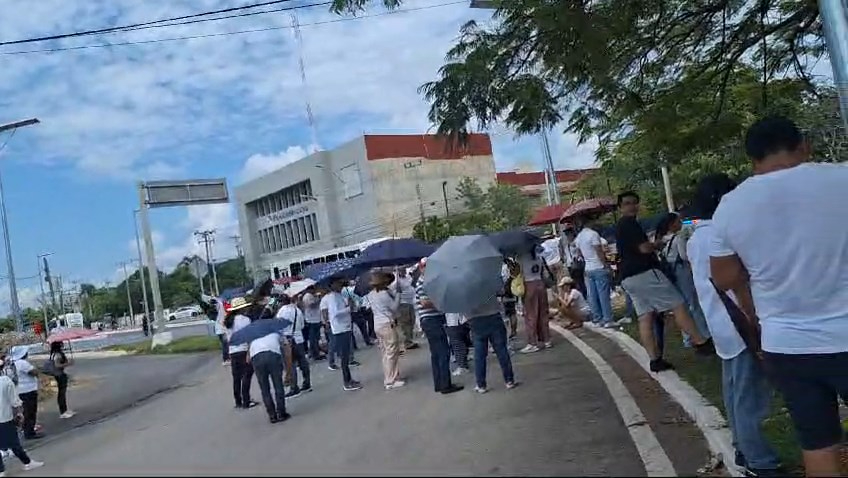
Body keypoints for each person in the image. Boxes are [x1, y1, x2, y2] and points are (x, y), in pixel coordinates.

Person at [710, 116, 848, 477]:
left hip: (787, 345)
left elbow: (722, 277)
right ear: (803, 145)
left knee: (817, 443)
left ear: (752, 159)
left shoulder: (731, 205)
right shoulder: (841, 177)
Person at [687, 173, 782, 477]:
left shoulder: (696, 237)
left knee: (734, 391)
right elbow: (738, 280)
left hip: (723, 324)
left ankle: (743, 448)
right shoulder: (719, 233)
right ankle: (760, 461)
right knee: (749, 396)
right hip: (740, 322)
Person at [615, 191, 715, 372]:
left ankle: (655, 359)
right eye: (628, 203)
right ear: (620, 207)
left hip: (628, 277)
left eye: (634, 203)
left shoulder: (620, 227)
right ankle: (701, 342)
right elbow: (644, 248)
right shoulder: (630, 224)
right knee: (678, 304)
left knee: (645, 317)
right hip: (644, 272)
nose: (632, 206)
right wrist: (657, 244)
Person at [656, 212, 711, 348]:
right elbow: (684, 256)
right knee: (693, 304)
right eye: (678, 221)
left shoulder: (661, 239)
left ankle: (687, 338)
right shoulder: (678, 237)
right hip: (682, 271)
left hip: (670, 273)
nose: (681, 223)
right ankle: (704, 334)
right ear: (672, 224)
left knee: (680, 306)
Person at [415, 258, 463, 395]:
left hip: (430, 320)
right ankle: (445, 385)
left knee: (436, 354)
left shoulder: (426, 281)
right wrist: (440, 302)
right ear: (421, 268)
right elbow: (425, 302)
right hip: (432, 320)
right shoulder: (423, 282)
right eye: (425, 267)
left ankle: (440, 383)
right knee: (442, 352)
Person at [467, 293, 518, 394]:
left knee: (479, 354)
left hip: (476, 320)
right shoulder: (489, 283)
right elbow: (500, 293)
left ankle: (481, 385)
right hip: (494, 316)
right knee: (501, 350)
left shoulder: (465, 289)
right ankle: (509, 380)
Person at [0, 362, 42, 475]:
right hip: (5, 417)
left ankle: (1, 470)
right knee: (14, 443)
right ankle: (27, 462)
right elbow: (14, 401)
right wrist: (19, 414)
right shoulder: (5, 381)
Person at [321, 279, 362, 391]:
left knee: (346, 355)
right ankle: (347, 381)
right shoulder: (333, 297)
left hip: (345, 327)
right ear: (332, 284)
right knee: (344, 357)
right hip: (340, 329)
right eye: (338, 283)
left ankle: (349, 379)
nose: (340, 285)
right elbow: (335, 313)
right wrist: (348, 308)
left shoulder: (339, 295)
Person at [366, 272, 405, 390]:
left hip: (378, 324)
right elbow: (394, 307)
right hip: (387, 324)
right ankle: (390, 380)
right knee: (392, 352)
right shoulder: (383, 294)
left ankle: (391, 376)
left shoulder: (371, 295)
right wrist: (398, 294)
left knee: (386, 353)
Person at [574, 217, 615, 328]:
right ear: (589, 222)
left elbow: (579, 254)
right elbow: (599, 252)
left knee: (592, 295)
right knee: (603, 295)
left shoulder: (579, 237)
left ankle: (597, 318)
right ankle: (608, 319)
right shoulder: (593, 234)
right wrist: (606, 266)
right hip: (598, 266)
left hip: (588, 268)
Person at [247, 322, 290, 424]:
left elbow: (248, 357)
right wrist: (288, 370)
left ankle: (272, 415)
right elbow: (287, 348)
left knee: (264, 388)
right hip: (273, 355)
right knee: (278, 385)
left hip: (257, 357)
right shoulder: (277, 331)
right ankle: (281, 413)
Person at [224, 297, 258, 409]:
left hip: (233, 351)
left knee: (236, 377)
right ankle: (246, 400)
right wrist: (250, 352)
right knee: (246, 376)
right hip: (243, 350)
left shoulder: (228, 321)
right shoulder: (245, 320)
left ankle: (238, 400)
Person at [518, 247, 553, 353]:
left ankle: (532, 342)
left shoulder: (521, 259)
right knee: (543, 314)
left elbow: (519, 274)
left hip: (529, 285)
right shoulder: (539, 257)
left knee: (530, 315)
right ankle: (547, 339)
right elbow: (543, 273)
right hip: (540, 284)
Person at [277, 294, 311, 398]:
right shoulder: (297, 310)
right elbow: (302, 325)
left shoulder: (281, 311)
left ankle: (294, 387)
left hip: (287, 340)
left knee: (290, 364)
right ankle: (307, 382)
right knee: (303, 361)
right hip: (299, 338)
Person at [10, 347, 41, 440]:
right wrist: (36, 368)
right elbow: (34, 372)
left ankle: (26, 429)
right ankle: (30, 432)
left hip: (20, 390)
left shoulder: (13, 363)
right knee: (30, 412)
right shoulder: (22, 363)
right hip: (28, 390)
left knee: (25, 411)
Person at [392, 268, 418, 351]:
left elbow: (412, 284)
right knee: (404, 322)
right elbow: (393, 290)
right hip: (402, 303)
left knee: (412, 321)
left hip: (411, 302)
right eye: (401, 269)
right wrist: (397, 281)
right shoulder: (396, 279)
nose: (403, 271)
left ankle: (410, 339)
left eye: (404, 269)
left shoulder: (408, 277)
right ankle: (406, 342)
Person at [48, 341, 75, 419]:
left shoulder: (54, 354)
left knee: (62, 392)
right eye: (61, 344)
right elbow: (57, 365)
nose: (62, 345)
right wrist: (68, 364)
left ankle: (65, 410)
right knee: (62, 393)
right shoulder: (57, 355)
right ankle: (63, 411)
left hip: (59, 374)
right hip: (59, 375)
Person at [300, 287, 325, 361]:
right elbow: (310, 305)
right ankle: (314, 353)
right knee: (313, 338)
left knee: (316, 338)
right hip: (311, 320)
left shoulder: (312, 295)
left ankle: (315, 352)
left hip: (316, 319)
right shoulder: (307, 296)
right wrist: (318, 300)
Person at [500, 258, 519, 339]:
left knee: (505, 314)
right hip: (513, 291)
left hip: (504, 293)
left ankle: (506, 333)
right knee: (512, 312)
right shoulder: (511, 264)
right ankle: (514, 331)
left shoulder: (499, 267)